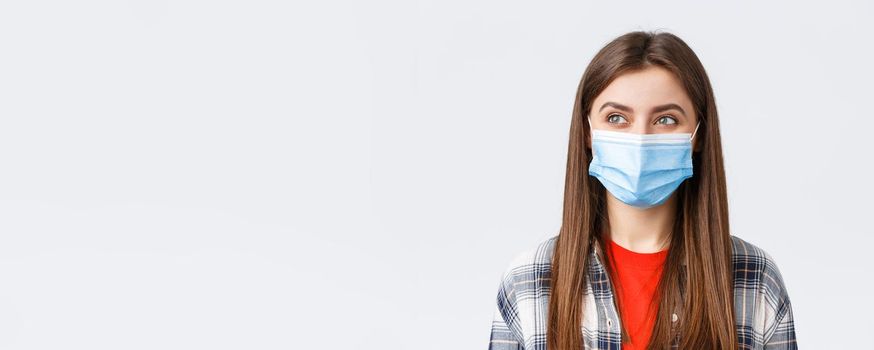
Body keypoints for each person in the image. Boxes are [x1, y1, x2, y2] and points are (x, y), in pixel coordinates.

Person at [487, 30, 797, 350]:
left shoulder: (755, 279)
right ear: (587, 132)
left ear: (699, 135)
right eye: (617, 117)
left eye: (665, 120)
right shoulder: (529, 281)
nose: (640, 139)